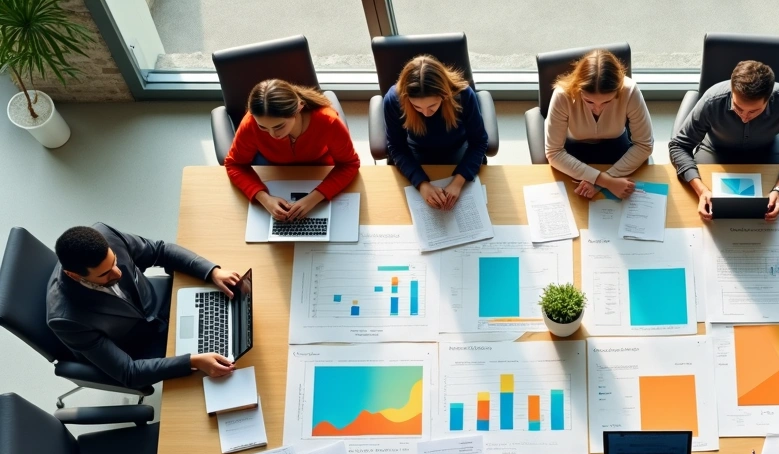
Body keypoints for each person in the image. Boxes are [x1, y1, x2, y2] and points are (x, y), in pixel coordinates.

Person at [46, 224, 240, 389]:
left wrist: (212, 271)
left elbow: (159, 251)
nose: (118, 272)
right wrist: (192, 361)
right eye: (105, 274)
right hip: (140, 345)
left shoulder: (105, 234)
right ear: (74, 275)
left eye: (114, 261)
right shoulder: (66, 319)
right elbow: (128, 372)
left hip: (156, 302)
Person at [669, 60, 779, 222]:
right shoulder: (712, 101)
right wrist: (701, 190)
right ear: (732, 90)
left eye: (754, 111)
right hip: (715, 151)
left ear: (769, 98)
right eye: (738, 107)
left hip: (764, 153)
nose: (744, 117)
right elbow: (678, 146)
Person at [224, 79, 361, 221]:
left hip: (322, 170)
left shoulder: (328, 121)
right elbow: (234, 164)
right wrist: (264, 198)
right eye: (263, 127)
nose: (273, 135)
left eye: (279, 126)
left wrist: (314, 198)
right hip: (274, 172)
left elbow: (350, 164)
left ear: (298, 108)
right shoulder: (251, 123)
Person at [544, 49, 654, 200]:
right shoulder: (563, 95)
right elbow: (554, 152)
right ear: (578, 88)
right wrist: (607, 182)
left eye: (607, 102)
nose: (597, 108)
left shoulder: (629, 91)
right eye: (589, 101)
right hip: (573, 151)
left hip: (616, 148)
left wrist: (600, 182)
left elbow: (644, 145)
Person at [383, 55, 489, 211]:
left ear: (444, 95)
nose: (425, 114)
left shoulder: (463, 95)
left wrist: (457, 183)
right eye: (417, 108)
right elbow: (397, 147)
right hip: (416, 153)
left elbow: (479, 142)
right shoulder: (394, 99)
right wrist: (422, 184)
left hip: (458, 150)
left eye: (432, 106)